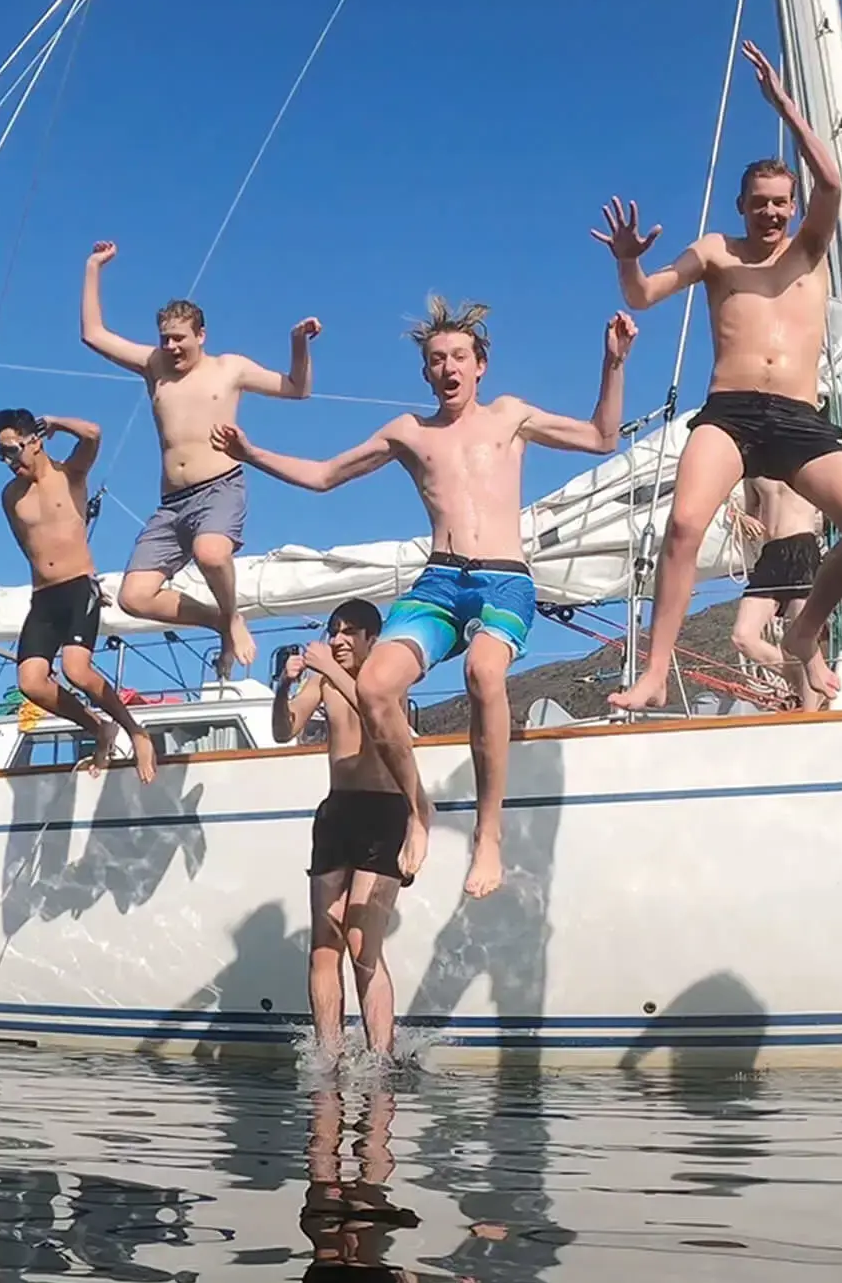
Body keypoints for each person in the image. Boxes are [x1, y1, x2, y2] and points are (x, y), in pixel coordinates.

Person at [215, 299, 635, 897]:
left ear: (480, 365)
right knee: (375, 685)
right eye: (436, 360)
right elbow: (325, 475)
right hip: (440, 580)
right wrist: (251, 453)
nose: (448, 368)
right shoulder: (409, 433)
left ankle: (488, 833)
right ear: (425, 373)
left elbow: (601, 437)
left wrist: (612, 364)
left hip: (503, 578)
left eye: (459, 357)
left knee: (484, 672)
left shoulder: (510, 417)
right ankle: (419, 808)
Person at [594, 41, 842, 712]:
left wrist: (785, 106)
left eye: (781, 202)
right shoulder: (714, 252)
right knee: (683, 525)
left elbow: (834, 184)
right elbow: (645, 294)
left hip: (797, 416)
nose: (771, 213)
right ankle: (653, 673)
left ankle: (806, 630)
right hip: (729, 411)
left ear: (793, 205)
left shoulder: (811, 248)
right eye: (759, 202)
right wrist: (625, 263)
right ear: (741, 204)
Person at [79, 240, 318, 679]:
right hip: (171, 506)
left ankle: (231, 615)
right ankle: (219, 621)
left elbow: (296, 388)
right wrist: (94, 267)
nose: (171, 347)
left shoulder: (230, 368)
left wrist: (298, 344)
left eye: (180, 338)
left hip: (219, 487)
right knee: (135, 596)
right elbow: (93, 334)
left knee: (211, 554)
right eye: (165, 338)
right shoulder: (154, 366)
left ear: (201, 336)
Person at [0, 407, 158, 783]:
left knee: (76, 670)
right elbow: (32, 546)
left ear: (34, 442)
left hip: (79, 587)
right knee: (31, 682)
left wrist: (54, 422)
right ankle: (98, 728)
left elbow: (93, 434)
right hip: (43, 597)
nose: (7, 461)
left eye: (12, 450)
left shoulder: (71, 476)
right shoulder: (10, 496)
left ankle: (136, 731)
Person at [273, 600, 405, 1060]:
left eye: (350, 632)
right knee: (324, 946)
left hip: (385, 810)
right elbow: (284, 730)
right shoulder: (323, 680)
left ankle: (381, 1060)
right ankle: (329, 1058)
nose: (338, 640)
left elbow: (375, 712)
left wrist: (328, 665)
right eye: (333, 632)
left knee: (361, 941)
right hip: (337, 811)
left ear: (372, 638)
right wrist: (284, 687)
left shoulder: (388, 674)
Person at [729, 475, 822, 691]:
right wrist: (742, 518)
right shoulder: (754, 473)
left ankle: (810, 712)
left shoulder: (806, 462)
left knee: (805, 640)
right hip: (770, 554)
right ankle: (797, 677)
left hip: (802, 549)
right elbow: (748, 510)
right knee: (743, 636)